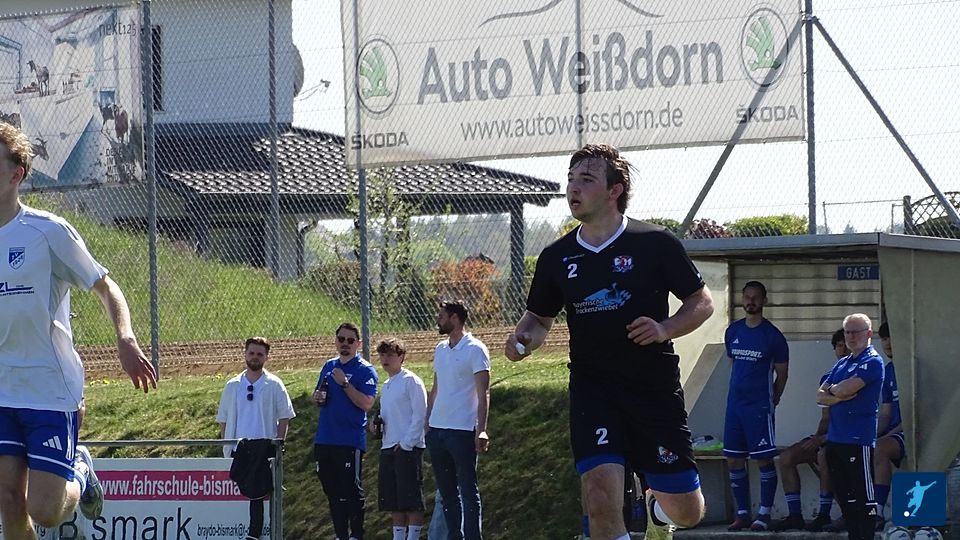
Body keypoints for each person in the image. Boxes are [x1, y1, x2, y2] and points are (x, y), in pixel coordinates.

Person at [505, 144, 714, 540]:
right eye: (571, 179)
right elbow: (538, 318)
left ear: (614, 190)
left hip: (652, 390)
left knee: (687, 511)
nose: (574, 187)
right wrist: (523, 338)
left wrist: (664, 329)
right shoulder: (556, 256)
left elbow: (701, 302)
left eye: (586, 179)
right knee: (600, 499)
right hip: (594, 390)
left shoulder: (655, 242)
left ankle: (657, 509)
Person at [0, 123, 157, 538]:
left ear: (16, 174)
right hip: (1, 390)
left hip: (50, 391)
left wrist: (126, 338)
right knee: (9, 503)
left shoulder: (48, 231)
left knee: (45, 512)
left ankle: (82, 470)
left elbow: (106, 288)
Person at [722, 281, 789, 531]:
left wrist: (774, 398)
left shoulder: (773, 336)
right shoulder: (733, 331)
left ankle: (764, 514)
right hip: (734, 407)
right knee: (733, 460)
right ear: (742, 299)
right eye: (747, 297)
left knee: (763, 459)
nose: (751, 301)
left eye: (756, 297)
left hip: (759, 408)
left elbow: (782, 374)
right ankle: (742, 514)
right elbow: (733, 364)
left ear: (764, 301)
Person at [216, 337, 295, 540]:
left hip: (264, 448)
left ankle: (257, 534)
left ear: (266, 357)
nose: (255, 357)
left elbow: (284, 417)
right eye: (251, 353)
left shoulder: (274, 384)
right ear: (245, 354)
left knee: (261, 494)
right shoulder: (233, 385)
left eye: (260, 354)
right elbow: (223, 419)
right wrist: (227, 446)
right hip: (240, 449)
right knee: (248, 491)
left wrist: (278, 445)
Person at [771, 329, 848, 531]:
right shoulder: (827, 378)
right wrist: (817, 438)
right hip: (826, 437)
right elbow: (825, 418)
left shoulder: (859, 377)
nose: (843, 349)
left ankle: (823, 514)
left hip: (847, 439)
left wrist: (822, 440)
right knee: (786, 457)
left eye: (847, 345)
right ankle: (795, 515)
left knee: (824, 456)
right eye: (839, 345)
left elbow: (855, 421)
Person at [425, 300, 490, 540]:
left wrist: (481, 430)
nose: (438, 320)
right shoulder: (440, 349)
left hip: (462, 431)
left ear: (455, 318)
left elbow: (483, 392)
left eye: (441, 316)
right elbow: (436, 388)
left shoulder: (475, 349)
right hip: (438, 431)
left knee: (468, 491)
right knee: (447, 494)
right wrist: (427, 423)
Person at [818, 313, 884, 540]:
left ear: (869, 333)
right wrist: (838, 393)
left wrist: (835, 391)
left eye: (856, 332)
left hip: (857, 440)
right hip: (835, 439)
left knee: (864, 498)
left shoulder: (872, 361)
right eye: (847, 332)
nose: (851, 337)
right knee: (846, 500)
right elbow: (820, 396)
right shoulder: (842, 363)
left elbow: (846, 389)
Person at [313, 322, 378, 540]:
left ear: (358, 344)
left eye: (350, 340)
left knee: (351, 489)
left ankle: (356, 534)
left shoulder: (365, 370)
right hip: (325, 438)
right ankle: (341, 534)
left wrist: (345, 384)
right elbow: (318, 394)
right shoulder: (329, 366)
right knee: (332, 491)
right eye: (341, 339)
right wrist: (317, 397)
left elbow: (367, 403)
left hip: (349, 440)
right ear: (335, 341)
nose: (345, 344)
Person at [373, 338, 428, 540]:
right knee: (394, 501)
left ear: (402, 357)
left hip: (408, 448)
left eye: (390, 355)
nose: (385, 359)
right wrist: (375, 426)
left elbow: (420, 414)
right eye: (382, 355)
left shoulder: (411, 381)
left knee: (411, 500)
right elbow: (388, 416)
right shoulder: (387, 385)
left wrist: (406, 444)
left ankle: (412, 536)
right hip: (388, 446)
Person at [872, 321, 905, 531]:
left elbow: (921, 412)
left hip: (915, 433)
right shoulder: (887, 371)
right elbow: (886, 413)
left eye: (890, 337)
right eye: (883, 338)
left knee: (881, 448)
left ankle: (877, 512)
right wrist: (871, 435)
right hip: (894, 434)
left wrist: (887, 437)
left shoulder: (914, 367)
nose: (887, 343)